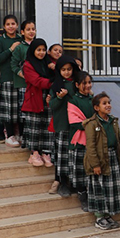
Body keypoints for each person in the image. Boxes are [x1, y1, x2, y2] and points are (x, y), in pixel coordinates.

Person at [83, 92, 120, 229]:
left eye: (109, 103)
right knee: (100, 189)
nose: (108, 105)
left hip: (113, 158)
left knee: (111, 189)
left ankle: (108, 215)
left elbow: (119, 142)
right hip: (99, 160)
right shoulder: (92, 124)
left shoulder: (113, 121)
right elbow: (90, 146)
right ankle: (99, 217)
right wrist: (95, 164)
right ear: (97, 108)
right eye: (104, 103)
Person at [21, 38, 55, 167]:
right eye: (38, 50)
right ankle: (34, 153)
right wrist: (52, 83)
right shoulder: (28, 65)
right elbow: (37, 81)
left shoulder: (49, 63)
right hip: (34, 99)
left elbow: (59, 74)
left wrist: (55, 69)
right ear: (33, 50)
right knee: (34, 127)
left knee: (47, 127)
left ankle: (46, 153)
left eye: (43, 50)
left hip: (48, 99)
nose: (41, 53)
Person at [48, 55, 77, 196]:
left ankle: (74, 183)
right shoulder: (56, 86)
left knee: (74, 155)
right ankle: (61, 182)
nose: (66, 72)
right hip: (62, 125)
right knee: (61, 156)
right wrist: (59, 97)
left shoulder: (77, 84)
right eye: (63, 69)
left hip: (76, 126)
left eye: (69, 69)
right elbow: (52, 105)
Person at [0, 15, 23, 147]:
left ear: (17, 25)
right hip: (7, 78)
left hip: (21, 78)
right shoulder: (0, 41)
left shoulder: (21, 39)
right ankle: (9, 135)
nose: (11, 26)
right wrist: (11, 49)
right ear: (4, 26)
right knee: (8, 109)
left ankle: (20, 135)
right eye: (8, 24)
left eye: (13, 24)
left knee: (21, 108)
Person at [67, 71, 94, 209]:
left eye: (89, 82)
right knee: (80, 171)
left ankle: (91, 195)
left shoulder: (94, 99)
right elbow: (75, 123)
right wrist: (93, 123)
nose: (88, 85)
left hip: (93, 142)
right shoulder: (73, 100)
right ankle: (82, 195)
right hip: (79, 142)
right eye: (84, 83)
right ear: (77, 85)